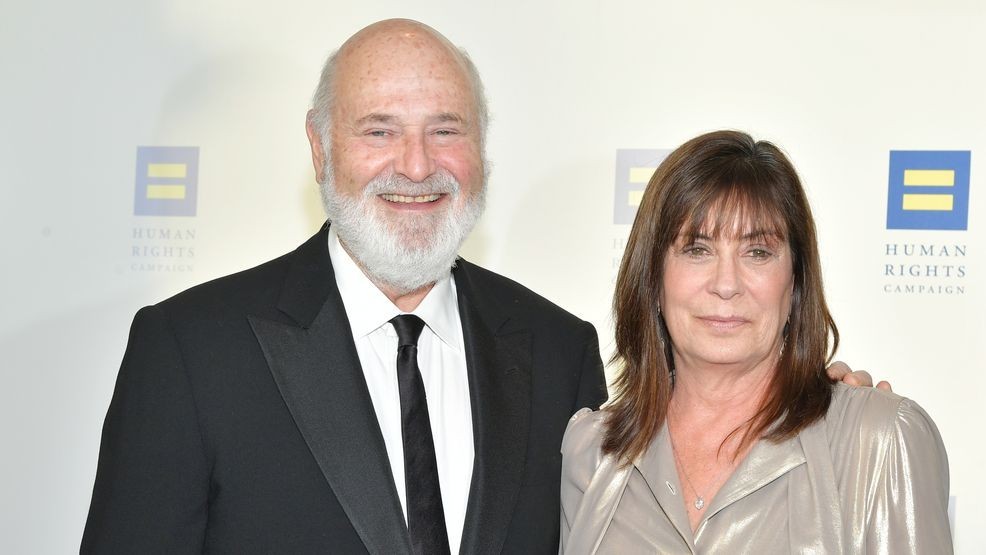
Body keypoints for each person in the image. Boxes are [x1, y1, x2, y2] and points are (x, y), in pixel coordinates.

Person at [82, 20, 874, 555]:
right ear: (320, 150)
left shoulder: (559, 352)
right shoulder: (192, 351)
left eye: (447, 129)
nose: (418, 165)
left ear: (483, 153)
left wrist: (810, 400)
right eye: (379, 128)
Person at [559, 130, 951, 554]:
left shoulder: (878, 442)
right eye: (697, 249)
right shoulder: (592, 452)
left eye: (758, 252)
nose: (726, 285)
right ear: (653, 278)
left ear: (795, 281)